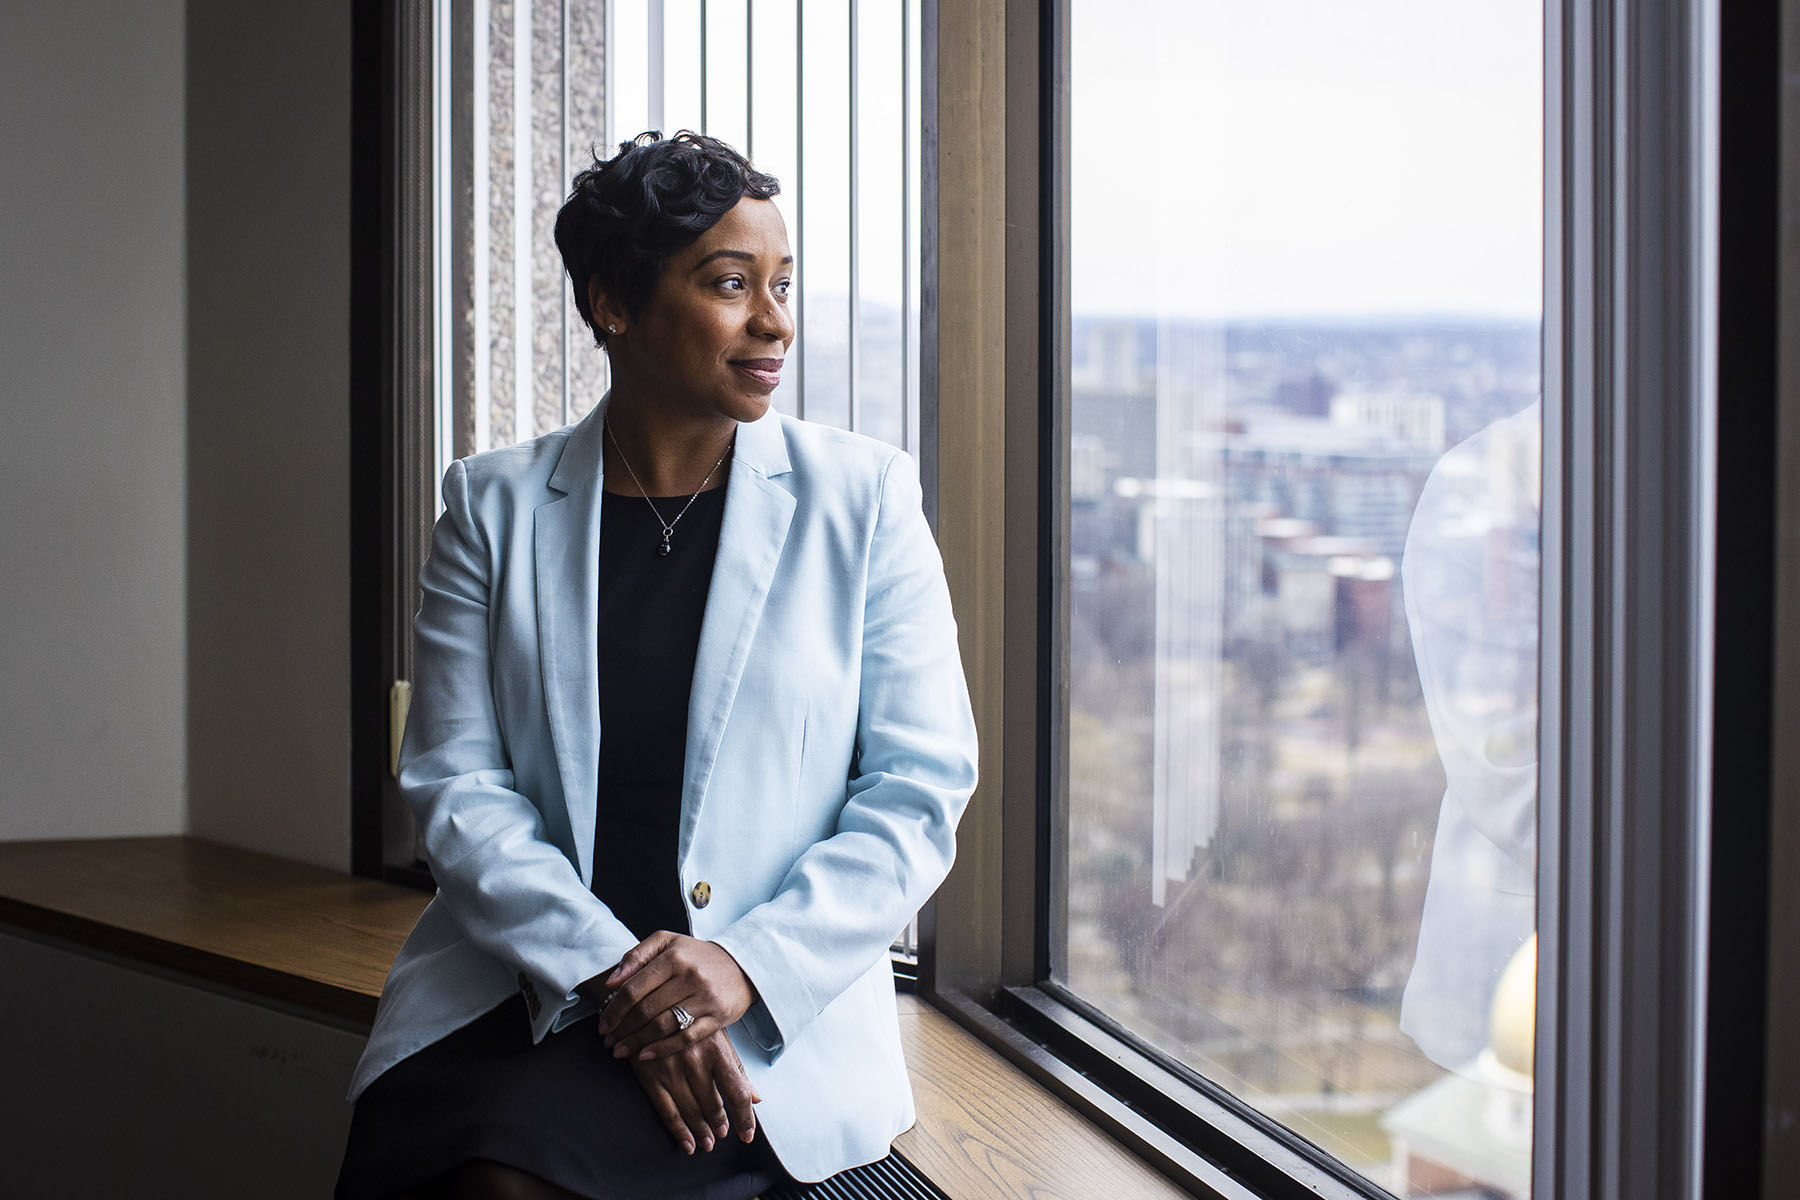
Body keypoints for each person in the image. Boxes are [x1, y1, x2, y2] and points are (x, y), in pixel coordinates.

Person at [335, 131, 979, 1200]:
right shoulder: (490, 508)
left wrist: (737, 967)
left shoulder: (862, 499)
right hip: (531, 985)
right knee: (485, 1175)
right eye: (731, 286)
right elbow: (455, 786)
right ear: (614, 305)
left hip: (768, 1008)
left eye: (782, 284)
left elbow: (918, 791)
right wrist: (623, 983)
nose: (774, 321)